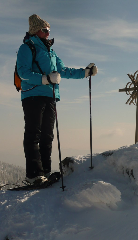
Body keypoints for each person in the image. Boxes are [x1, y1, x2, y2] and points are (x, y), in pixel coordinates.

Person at [17, 14, 98, 184]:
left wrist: (85, 72)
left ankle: (44, 172)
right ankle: (33, 175)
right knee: (34, 134)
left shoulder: (50, 51)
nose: (48, 33)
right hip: (32, 95)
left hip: (50, 96)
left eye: (49, 30)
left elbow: (64, 70)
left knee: (47, 135)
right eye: (44, 30)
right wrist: (45, 79)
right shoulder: (27, 48)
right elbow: (23, 73)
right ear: (35, 31)